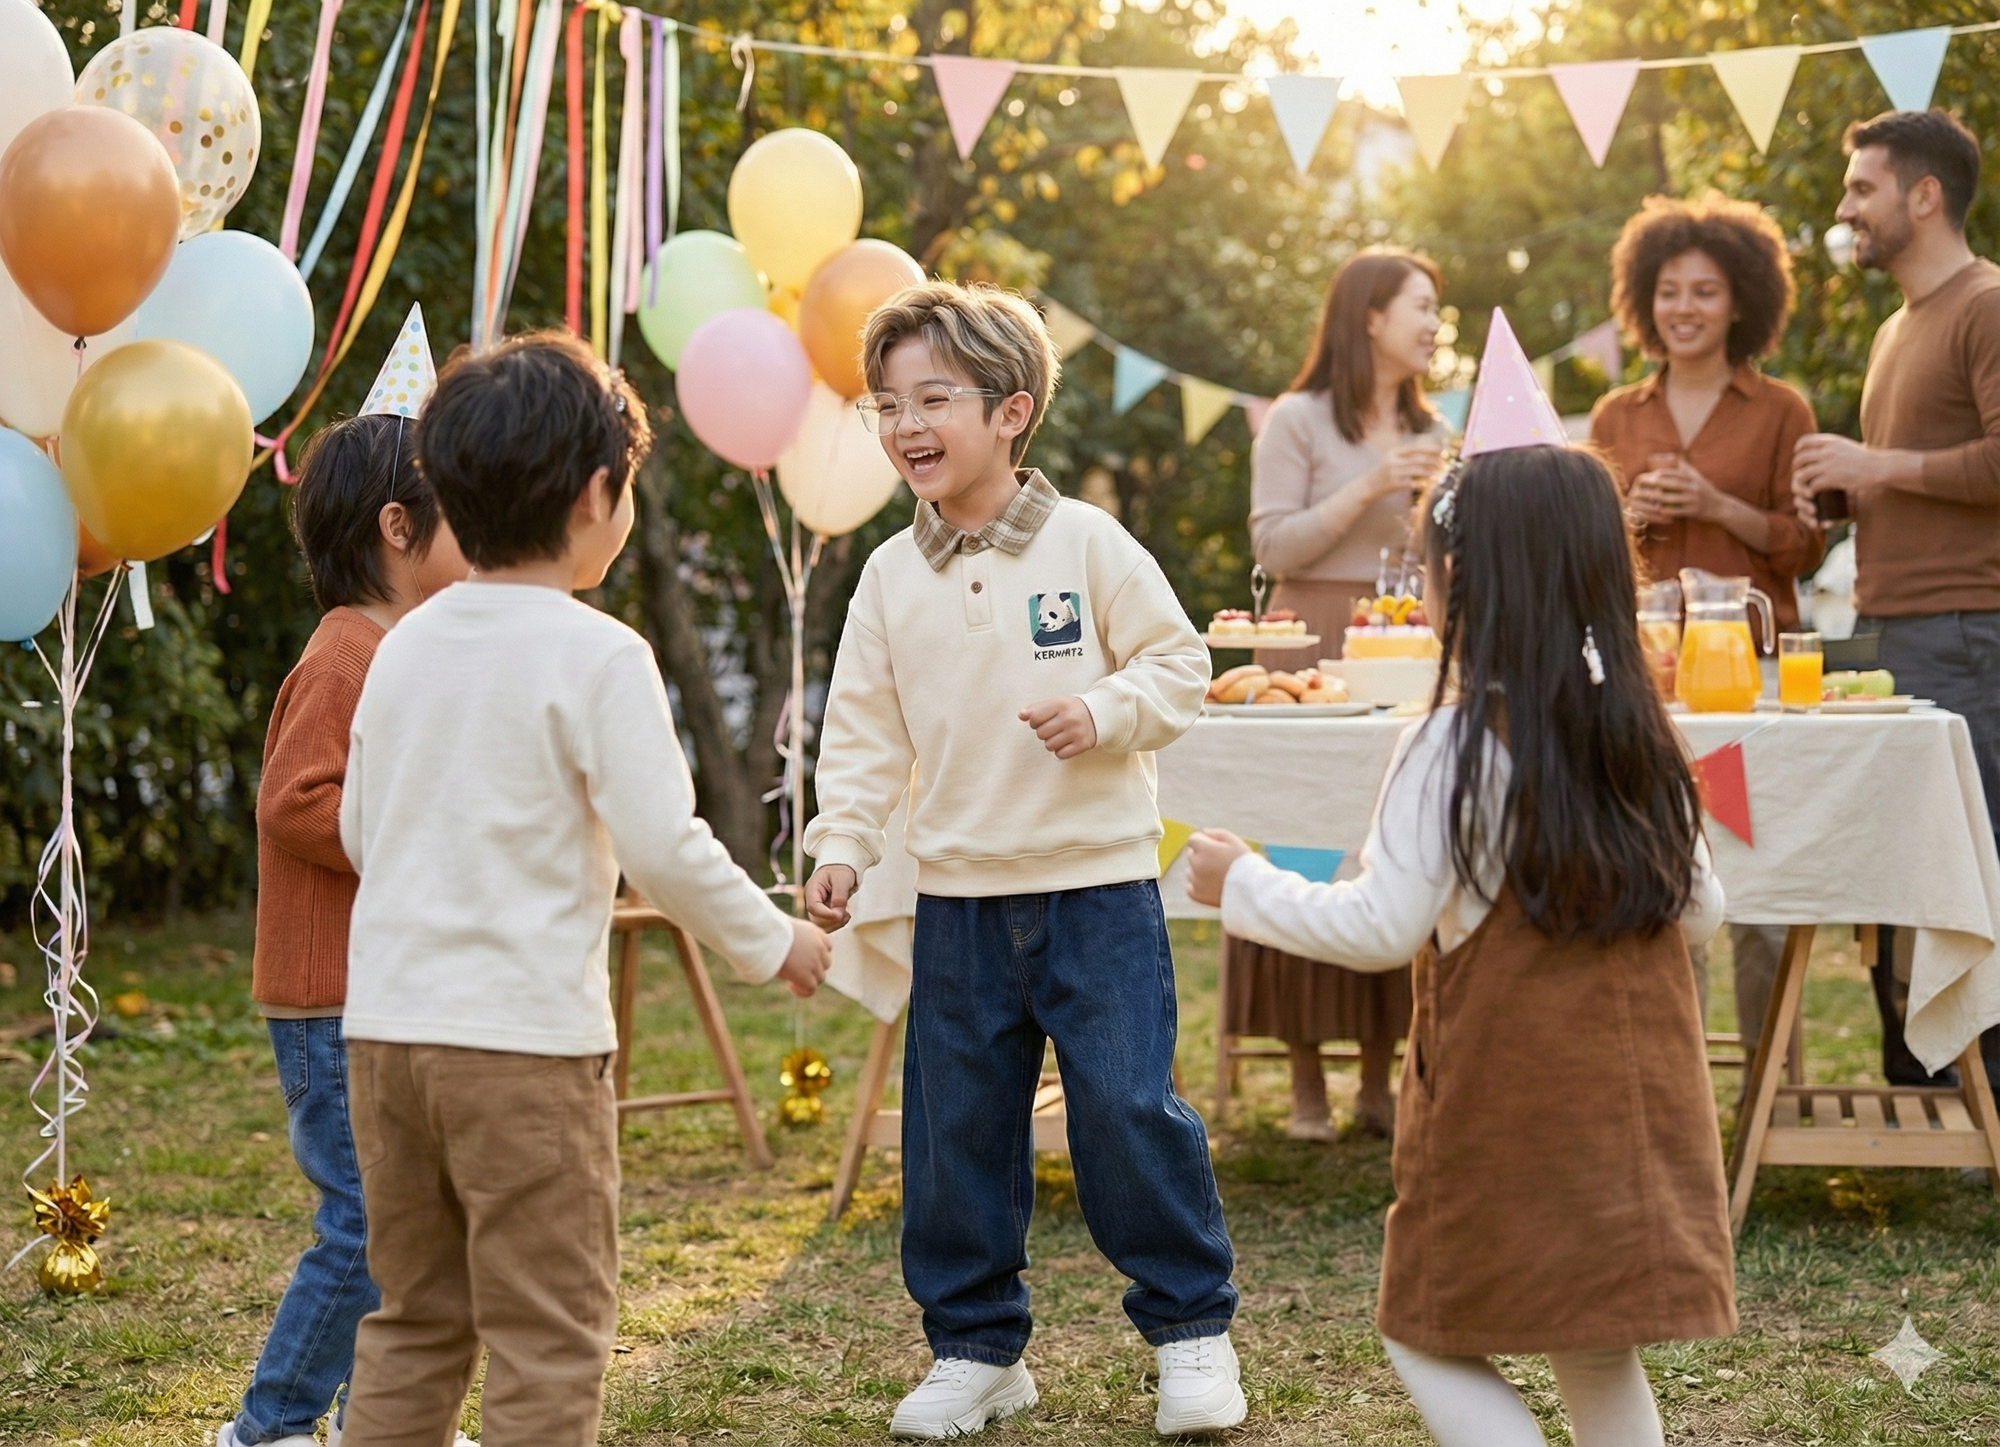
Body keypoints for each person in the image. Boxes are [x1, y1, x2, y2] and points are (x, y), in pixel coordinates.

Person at [335, 331, 832, 1447]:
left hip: (386, 1040)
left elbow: (361, 829)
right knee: (547, 1331)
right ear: (599, 492)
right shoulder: (598, 656)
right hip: (523, 1051)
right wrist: (775, 941)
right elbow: (663, 844)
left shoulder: (402, 647)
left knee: (416, 1320)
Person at [1188, 445, 1734, 1447]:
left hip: (1505, 1113)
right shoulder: (1643, 737)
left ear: (1464, 584)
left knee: (1427, 1332)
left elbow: (1377, 926)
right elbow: (1699, 909)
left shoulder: (1449, 743)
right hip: (1634, 1113)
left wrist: (1243, 884)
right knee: (1596, 1342)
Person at [802, 282, 1244, 1440]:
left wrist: (1101, 710)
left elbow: (1179, 666)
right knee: (954, 1135)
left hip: (1095, 887)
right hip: (955, 897)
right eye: (886, 403)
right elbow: (859, 732)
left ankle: (1192, 1332)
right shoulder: (889, 578)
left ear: (1010, 409)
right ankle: (974, 1350)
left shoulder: (1086, 541)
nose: (904, 425)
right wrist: (842, 844)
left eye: (931, 397)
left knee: (1124, 1108)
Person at [216, 415, 471, 1447]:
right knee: (365, 1225)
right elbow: (292, 800)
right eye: (463, 519)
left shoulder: (396, 650)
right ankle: (270, 1425)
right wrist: (411, 830)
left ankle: (387, 1421)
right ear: (399, 529)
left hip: (382, 994)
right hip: (330, 1000)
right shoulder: (344, 655)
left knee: (410, 1225)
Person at [1791, 109, 2000, 1089]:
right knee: (1907, 877)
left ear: (1923, 196)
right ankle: (1923, 1099)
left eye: (1859, 188)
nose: (1843, 210)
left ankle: (1981, 1114)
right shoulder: (1891, 328)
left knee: (1974, 876)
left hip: (1969, 633)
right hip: (1893, 630)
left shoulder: (1985, 304)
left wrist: (1873, 462)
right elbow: (1920, 474)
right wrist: (1844, 491)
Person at [1591, 192, 1823, 1068]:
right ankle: (1668, 1079)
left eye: (1706, 291)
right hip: (1647, 683)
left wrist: (1720, 506)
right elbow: (1591, 548)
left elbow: (1803, 547)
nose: (1684, 308)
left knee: (1760, 894)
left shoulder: (1781, 410)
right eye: (1669, 290)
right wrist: (1628, 513)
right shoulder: (1616, 415)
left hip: (1754, 680)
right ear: (1644, 299)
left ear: (1743, 303)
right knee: (1663, 883)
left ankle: (1775, 1090)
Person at [1238, 248, 1447, 1139]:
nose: (1436, 325)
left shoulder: (1437, 427)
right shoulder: (1298, 418)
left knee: (1385, 845)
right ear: (1371, 317)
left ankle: (1379, 1075)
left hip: (1405, 645)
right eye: (1423, 308)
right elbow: (1274, 547)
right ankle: (1304, 1082)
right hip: (1312, 644)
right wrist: (1371, 482)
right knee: (1300, 848)